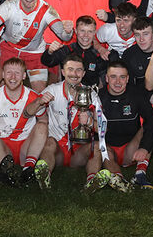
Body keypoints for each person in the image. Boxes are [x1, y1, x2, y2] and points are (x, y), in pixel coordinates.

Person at [35, 54, 115, 192]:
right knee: (49, 142)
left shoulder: (91, 94)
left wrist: (89, 121)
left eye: (78, 70)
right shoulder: (52, 90)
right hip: (57, 151)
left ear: (83, 73)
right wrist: (38, 102)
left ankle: (91, 181)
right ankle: (44, 178)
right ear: (63, 72)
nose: (74, 74)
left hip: (78, 151)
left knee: (97, 146)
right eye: (70, 69)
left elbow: (103, 129)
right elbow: (29, 112)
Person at [0, 0, 74, 91]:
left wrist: (68, 31)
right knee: (2, 88)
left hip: (35, 52)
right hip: (10, 49)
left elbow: (65, 37)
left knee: (39, 92)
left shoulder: (47, 10)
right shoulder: (10, 5)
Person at [0, 58, 50, 188]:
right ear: (3, 74)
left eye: (17, 73)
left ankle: (28, 167)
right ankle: (7, 172)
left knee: (42, 126)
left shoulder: (33, 96)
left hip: (26, 145)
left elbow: (43, 121)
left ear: (24, 76)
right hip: (4, 145)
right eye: (9, 72)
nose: (13, 77)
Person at [99, 61, 153, 189]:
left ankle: (140, 174)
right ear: (106, 78)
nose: (118, 82)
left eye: (122, 77)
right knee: (101, 148)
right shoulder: (98, 96)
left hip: (131, 151)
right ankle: (119, 180)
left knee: (149, 126)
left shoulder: (136, 94)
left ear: (127, 79)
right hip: (107, 150)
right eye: (113, 76)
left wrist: (144, 147)